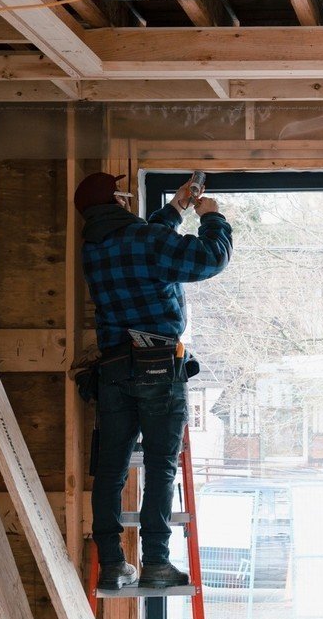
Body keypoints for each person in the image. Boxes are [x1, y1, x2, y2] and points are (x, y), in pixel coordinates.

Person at [73, 172, 233, 589]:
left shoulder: (93, 247)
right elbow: (210, 258)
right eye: (124, 194)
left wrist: (177, 207)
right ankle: (156, 562)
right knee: (161, 467)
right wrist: (212, 217)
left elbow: (145, 240)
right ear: (117, 201)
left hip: (114, 371)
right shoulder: (144, 243)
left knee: (110, 470)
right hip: (160, 368)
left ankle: (112, 562)